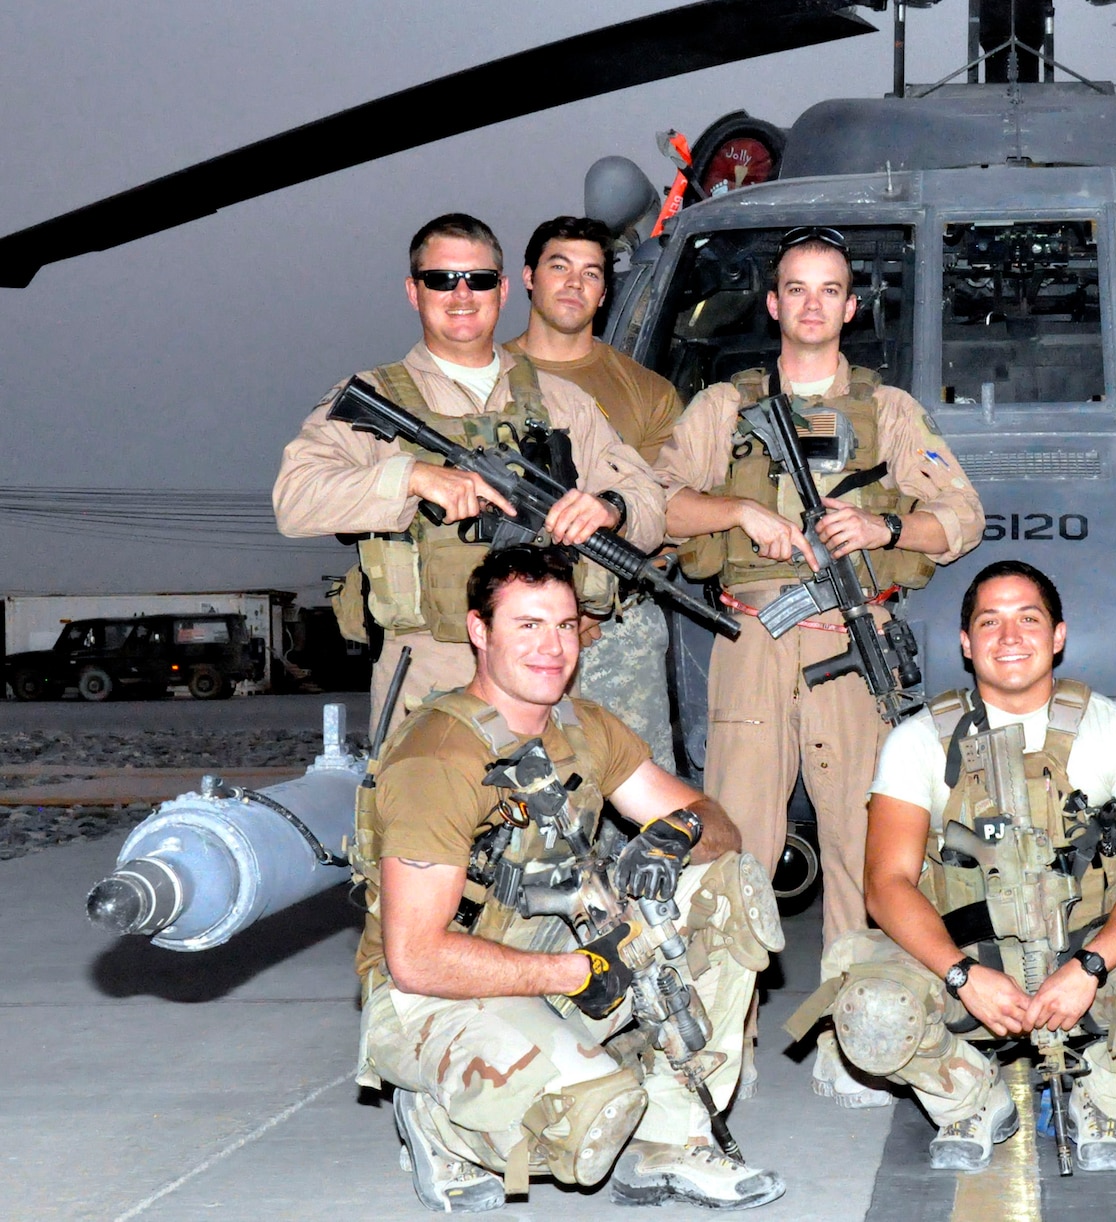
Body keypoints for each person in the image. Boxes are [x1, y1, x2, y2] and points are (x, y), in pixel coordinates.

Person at [352, 546, 786, 1212]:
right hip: (435, 996)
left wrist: (676, 834)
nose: (552, 646)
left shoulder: (584, 728)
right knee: (591, 1126)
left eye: (562, 624)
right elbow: (415, 957)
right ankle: (438, 1123)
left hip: (550, 953)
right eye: (526, 625)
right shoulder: (437, 756)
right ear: (479, 631)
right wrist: (577, 973)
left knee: (728, 887)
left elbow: (717, 825)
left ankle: (673, 1139)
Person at [799, 560, 1116, 1172]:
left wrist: (1091, 965)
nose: (1010, 637)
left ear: (1058, 636)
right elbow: (886, 884)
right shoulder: (919, 740)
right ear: (966, 643)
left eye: (1028, 619)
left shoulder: (1113, 732)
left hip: (1091, 957)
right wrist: (959, 976)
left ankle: (1103, 1099)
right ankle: (972, 1099)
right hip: (966, 963)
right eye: (990, 621)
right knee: (869, 1006)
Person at [652, 227, 982, 943]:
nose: (812, 304)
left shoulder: (888, 410)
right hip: (753, 637)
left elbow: (962, 516)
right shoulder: (721, 408)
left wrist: (881, 531)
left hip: (853, 638)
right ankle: (723, 1042)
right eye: (797, 289)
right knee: (734, 844)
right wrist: (740, 510)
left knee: (863, 846)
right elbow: (659, 507)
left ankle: (856, 1031)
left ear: (850, 308)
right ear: (772, 304)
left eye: (829, 290)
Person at [274, 213, 665, 730]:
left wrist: (609, 507)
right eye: (441, 279)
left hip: (544, 672)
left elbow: (650, 498)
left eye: (478, 280)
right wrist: (412, 478)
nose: (462, 294)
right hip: (430, 669)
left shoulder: (560, 400)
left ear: (502, 289)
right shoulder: (375, 398)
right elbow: (295, 500)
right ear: (414, 291)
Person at [504, 214, 687, 766]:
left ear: (606, 292)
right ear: (529, 277)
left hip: (618, 633)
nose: (574, 283)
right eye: (559, 267)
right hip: (512, 634)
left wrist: (597, 608)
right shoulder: (482, 377)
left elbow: (671, 509)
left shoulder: (647, 392)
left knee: (639, 799)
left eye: (591, 273)